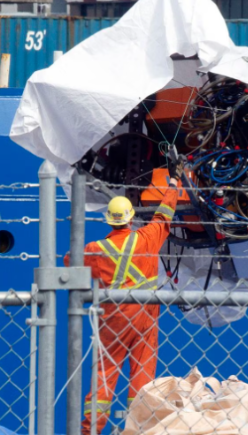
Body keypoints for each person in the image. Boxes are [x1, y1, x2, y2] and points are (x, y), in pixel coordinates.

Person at [66, 165, 181, 435]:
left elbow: (70, 262)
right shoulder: (147, 238)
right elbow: (164, 216)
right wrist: (174, 184)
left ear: (109, 220)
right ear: (131, 219)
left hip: (114, 320)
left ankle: (90, 431)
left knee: (104, 374)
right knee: (142, 376)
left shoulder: (96, 250)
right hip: (145, 318)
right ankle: (139, 429)